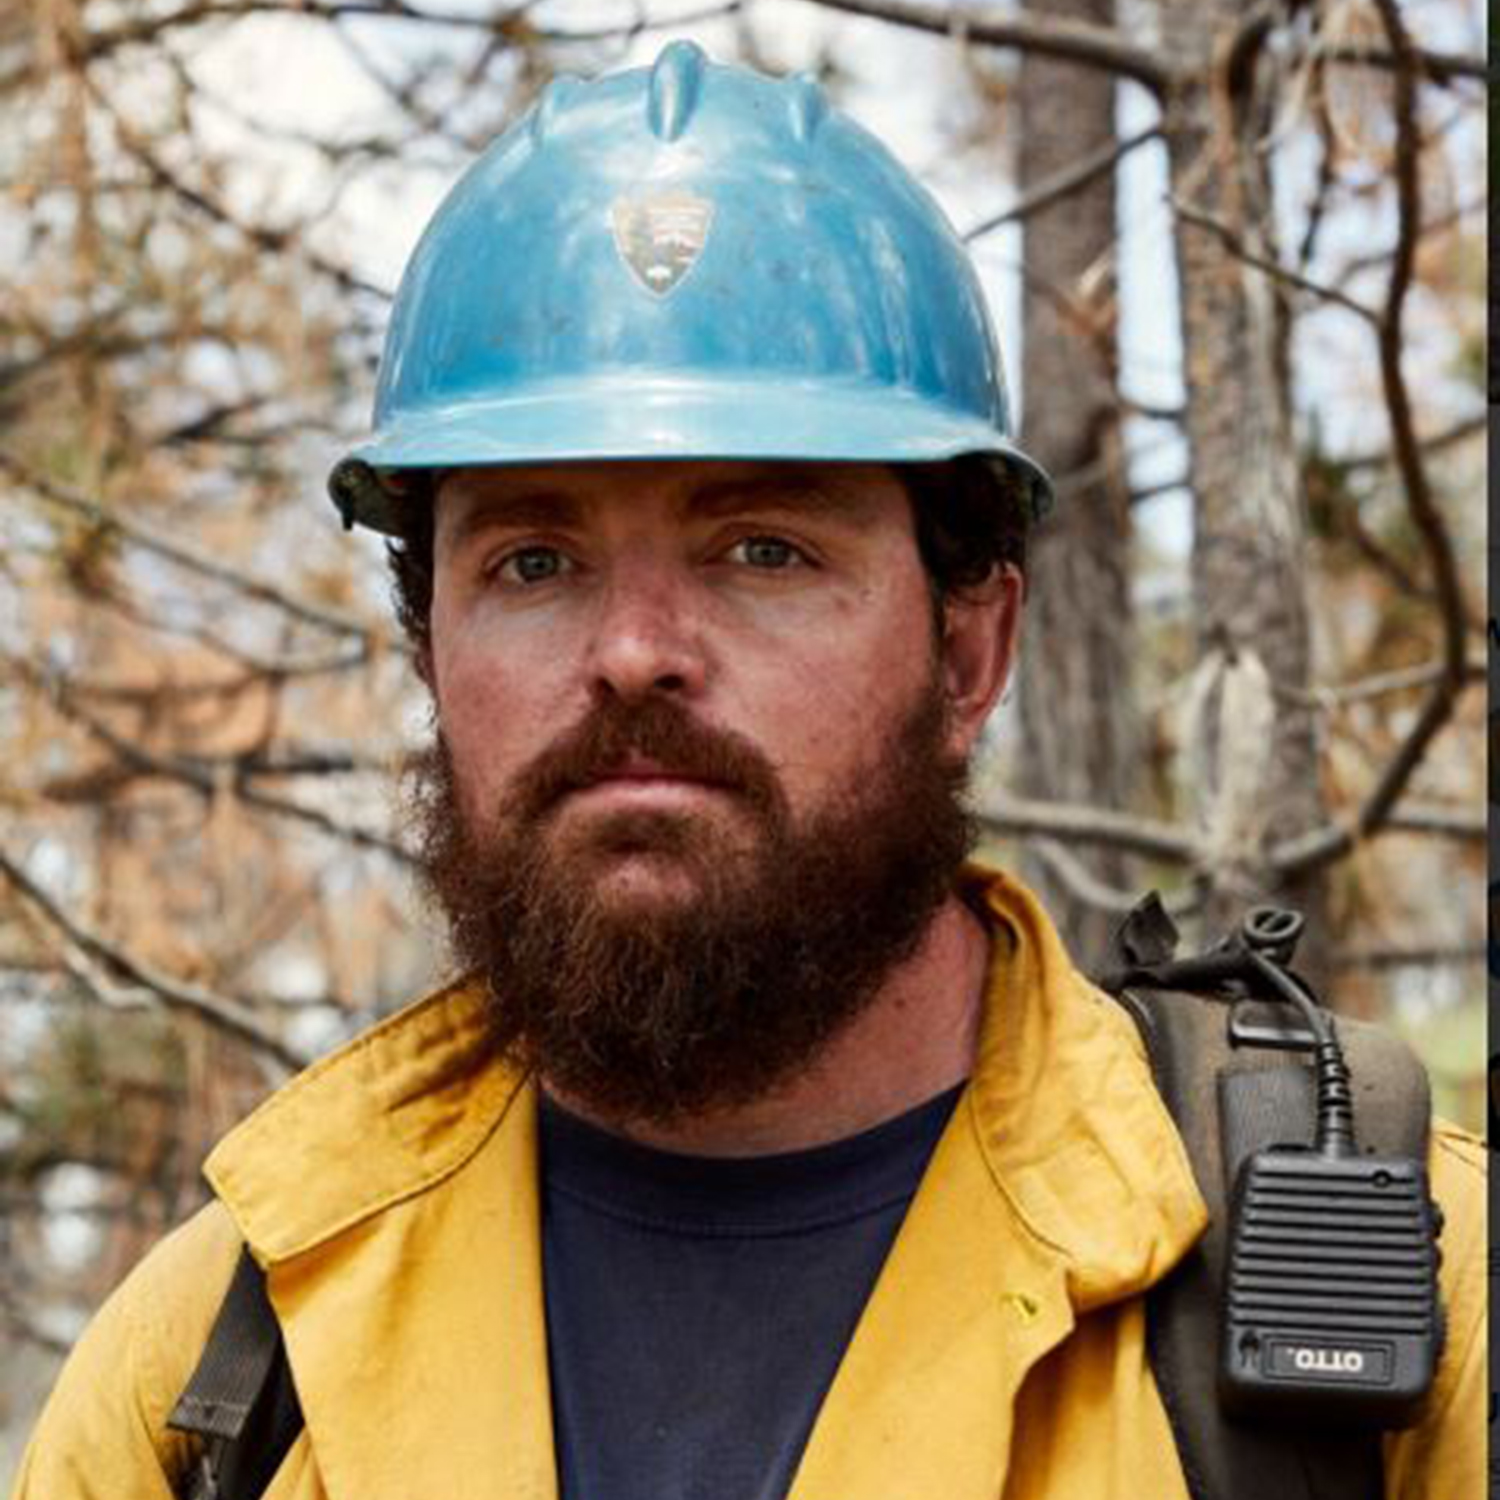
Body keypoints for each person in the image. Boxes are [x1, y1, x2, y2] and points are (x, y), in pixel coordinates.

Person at [12, 39, 1484, 1500]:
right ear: (427, 656)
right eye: (534, 560)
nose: (635, 652)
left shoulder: (1386, 1292)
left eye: (762, 548)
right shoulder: (220, 1369)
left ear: (969, 649)